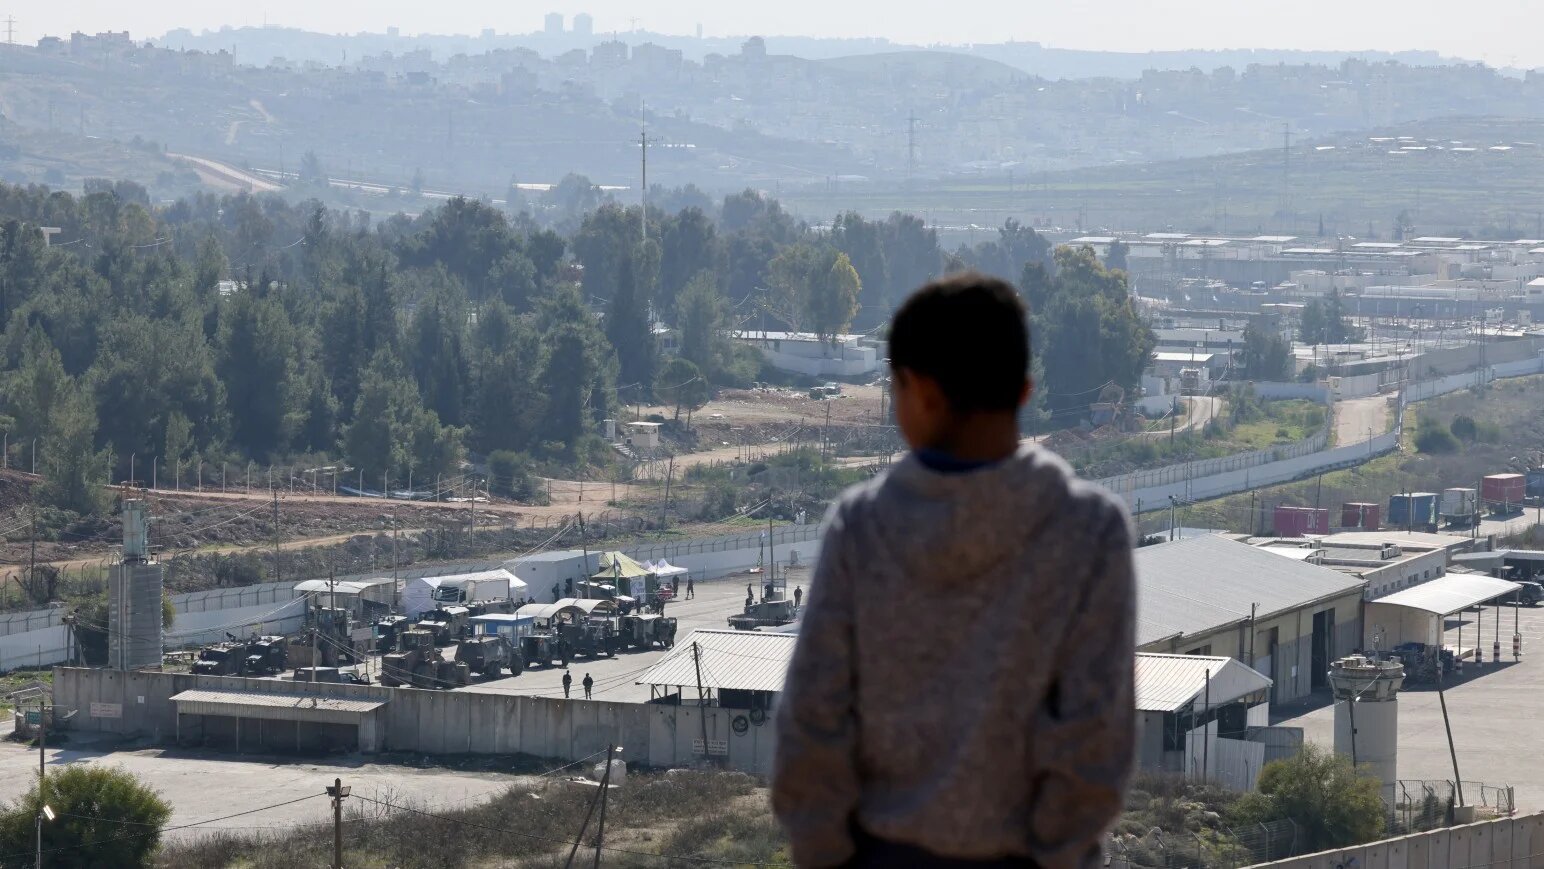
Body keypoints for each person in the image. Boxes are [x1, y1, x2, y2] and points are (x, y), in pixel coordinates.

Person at [772, 273, 1136, 869]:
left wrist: (825, 854)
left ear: (916, 391)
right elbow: (1095, 740)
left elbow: (811, 724)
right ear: (1024, 391)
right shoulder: (1089, 531)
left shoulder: (861, 528)